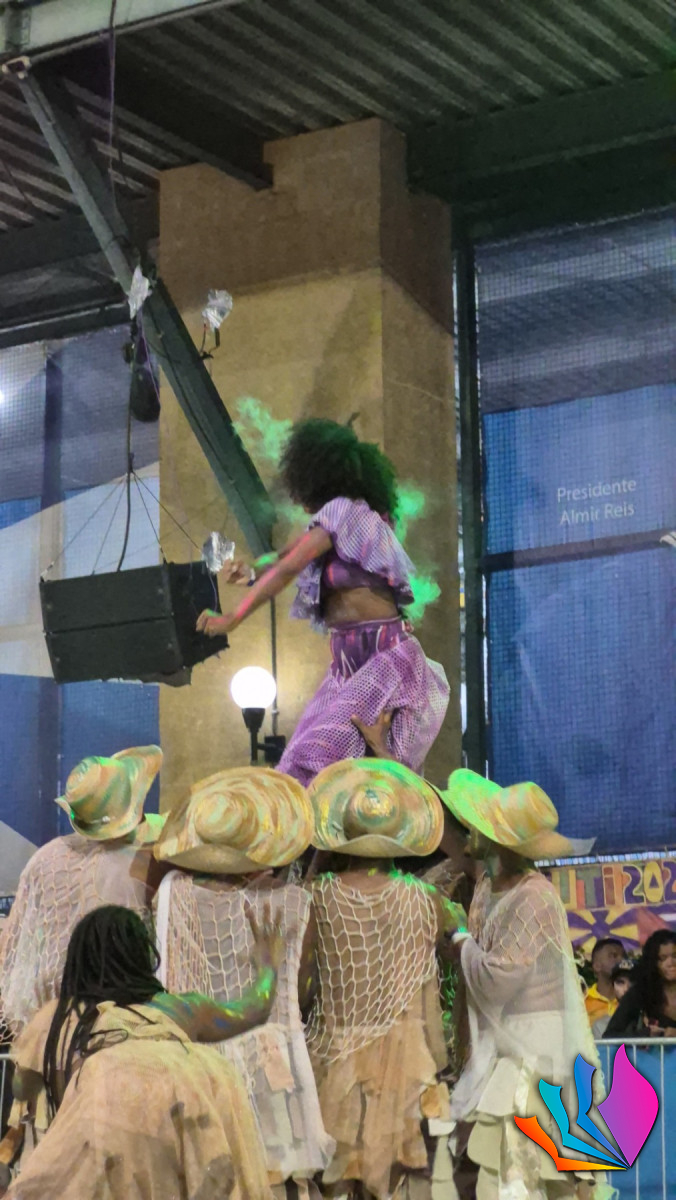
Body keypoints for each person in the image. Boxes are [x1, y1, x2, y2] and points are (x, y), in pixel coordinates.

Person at [196, 419, 449, 784]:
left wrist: (232, 617)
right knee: (302, 768)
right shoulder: (343, 519)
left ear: (315, 475)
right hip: (347, 664)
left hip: (383, 656)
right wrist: (251, 570)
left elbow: (288, 568)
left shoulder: (343, 511)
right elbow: (283, 556)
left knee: (324, 755)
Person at [4, 903, 281, 1200]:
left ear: (78, 960)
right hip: (184, 1127)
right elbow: (255, 1008)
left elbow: (22, 1089)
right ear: (143, 955)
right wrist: (267, 967)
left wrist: (32, 1048)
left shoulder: (59, 1018)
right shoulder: (181, 1008)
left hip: (103, 1150)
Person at [153, 766, 335, 1199]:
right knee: (279, 1177)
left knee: (214, 1176)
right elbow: (302, 990)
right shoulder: (293, 901)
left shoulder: (174, 892)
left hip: (201, 1056)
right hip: (271, 1059)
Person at [440, 769, 611, 1200]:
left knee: (523, 1170)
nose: (471, 829)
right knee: (493, 1167)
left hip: (532, 1054)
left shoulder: (533, 896)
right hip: (501, 1046)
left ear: (499, 841)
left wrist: (459, 940)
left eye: (480, 825)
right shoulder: (489, 885)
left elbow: (500, 980)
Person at [305, 757, 462, 1200]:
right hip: (408, 1056)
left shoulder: (318, 895)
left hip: (337, 1051)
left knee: (339, 1180)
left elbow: (302, 982)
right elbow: (450, 970)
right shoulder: (427, 899)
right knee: (403, 1180)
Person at [0, 746, 165, 1039]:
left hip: (51, 1029)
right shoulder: (151, 859)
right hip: (130, 1028)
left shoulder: (46, 858)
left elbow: (12, 957)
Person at [604, 931, 676, 1039]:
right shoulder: (640, 993)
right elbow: (610, 1037)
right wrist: (644, 1034)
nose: (671, 963)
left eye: (675, 956)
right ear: (652, 962)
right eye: (663, 958)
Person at [584, 938, 625, 1030]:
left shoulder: (631, 999)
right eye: (613, 956)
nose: (621, 960)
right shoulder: (583, 1000)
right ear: (597, 966)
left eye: (623, 956)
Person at [591, 960, 634, 1039]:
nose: (626, 989)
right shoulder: (601, 1026)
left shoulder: (652, 1021)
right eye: (620, 983)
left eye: (633, 982)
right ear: (613, 986)